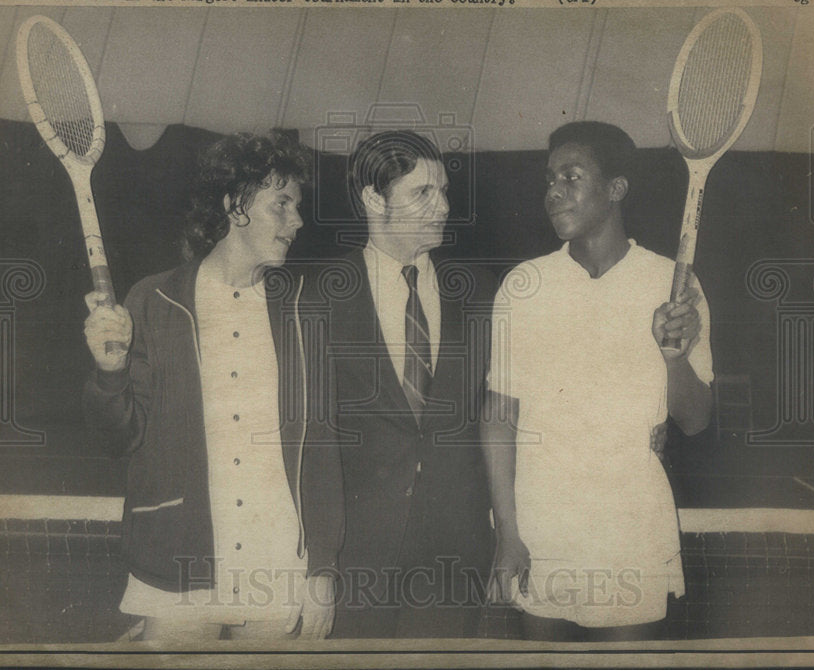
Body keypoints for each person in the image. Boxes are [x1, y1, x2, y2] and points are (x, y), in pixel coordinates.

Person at [82, 132, 344, 643]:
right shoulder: (153, 300)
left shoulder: (303, 312)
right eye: (282, 204)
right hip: (177, 560)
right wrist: (108, 371)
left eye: (297, 206)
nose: (297, 221)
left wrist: (323, 569)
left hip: (276, 562)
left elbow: (321, 446)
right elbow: (117, 439)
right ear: (234, 204)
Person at [481, 121, 713, 641]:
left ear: (616, 189)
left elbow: (696, 421)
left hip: (629, 528)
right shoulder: (523, 286)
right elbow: (498, 418)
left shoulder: (674, 285)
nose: (553, 192)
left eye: (572, 176)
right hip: (543, 529)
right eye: (549, 179)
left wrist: (674, 358)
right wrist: (509, 535)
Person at [316, 130, 494, 639]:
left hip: (454, 553)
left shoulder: (481, 291)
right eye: (423, 193)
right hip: (356, 554)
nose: (442, 206)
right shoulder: (319, 296)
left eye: (443, 191)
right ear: (375, 199)